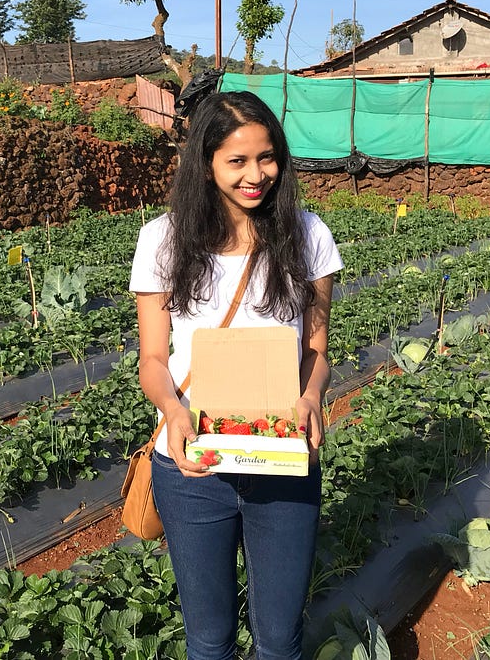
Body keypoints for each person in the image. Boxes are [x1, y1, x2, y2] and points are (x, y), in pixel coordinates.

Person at [129, 90, 343, 660]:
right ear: (206, 164)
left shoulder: (308, 235)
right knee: (208, 638)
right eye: (238, 161)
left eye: (267, 157)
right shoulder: (163, 240)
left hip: (282, 458)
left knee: (279, 638)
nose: (257, 175)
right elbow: (153, 361)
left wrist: (312, 399)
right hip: (194, 462)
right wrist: (174, 413)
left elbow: (315, 352)